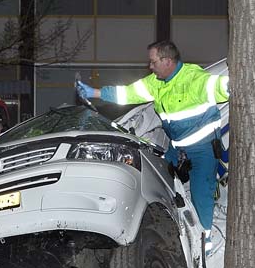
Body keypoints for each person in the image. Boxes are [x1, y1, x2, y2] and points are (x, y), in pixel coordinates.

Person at [77, 40, 230, 240]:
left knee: (201, 195)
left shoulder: (196, 80)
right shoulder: (155, 83)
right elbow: (127, 93)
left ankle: (205, 242)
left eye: (153, 62)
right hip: (179, 150)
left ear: (167, 61)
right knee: (157, 180)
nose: (150, 66)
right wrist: (94, 93)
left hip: (203, 151)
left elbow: (225, 87)